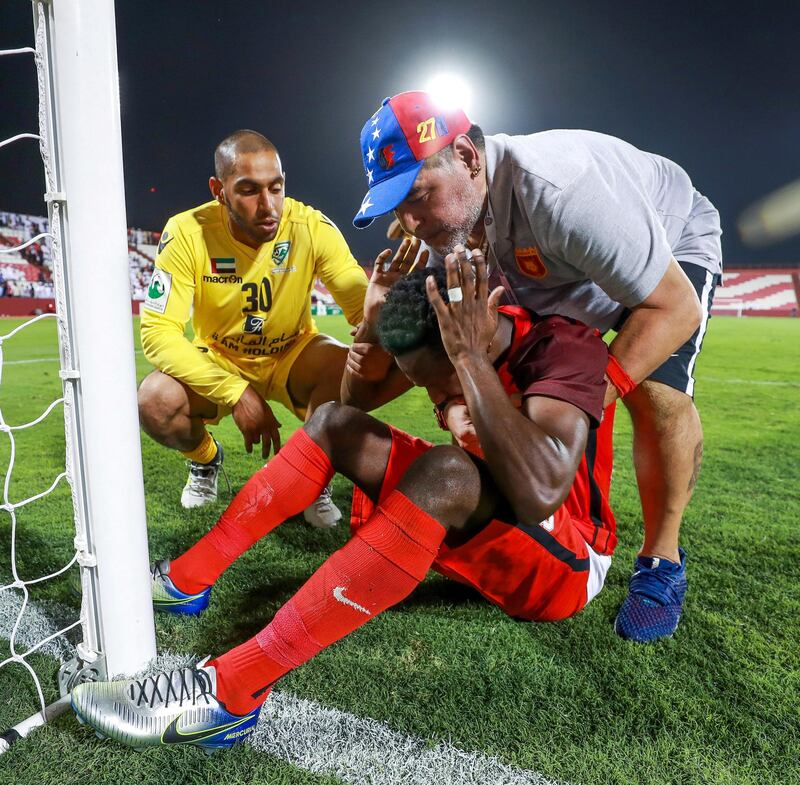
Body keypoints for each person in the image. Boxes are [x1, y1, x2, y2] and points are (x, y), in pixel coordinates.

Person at [71, 245, 616, 751]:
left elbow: (543, 494)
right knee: (334, 423)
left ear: (474, 336)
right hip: (488, 523)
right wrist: (371, 328)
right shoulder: (440, 344)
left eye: (439, 383)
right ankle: (186, 582)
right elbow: (356, 399)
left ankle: (228, 693)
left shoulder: (562, 347)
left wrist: (470, 366)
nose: (435, 398)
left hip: (566, 564)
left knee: (446, 470)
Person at [349, 91, 722, 642]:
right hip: (564, 265)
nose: (408, 221)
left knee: (656, 393)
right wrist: (450, 402)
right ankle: (555, 510)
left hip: (664, 247)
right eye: (395, 205)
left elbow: (674, 308)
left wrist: (590, 394)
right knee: (507, 367)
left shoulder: (561, 191)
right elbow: (439, 357)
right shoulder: (454, 224)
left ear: (469, 158)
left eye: (417, 195)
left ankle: (661, 561)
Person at [137, 130, 368, 527]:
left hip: (292, 352)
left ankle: (316, 473)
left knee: (350, 369)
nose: (268, 206)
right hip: (221, 358)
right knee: (155, 401)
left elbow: (361, 309)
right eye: (248, 190)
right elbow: (158, 332)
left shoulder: (310, 227)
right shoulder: (187, 232)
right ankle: (206, 460)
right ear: (219, 190)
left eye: (275, 188)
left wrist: (391, 301)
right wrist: (235, 391)